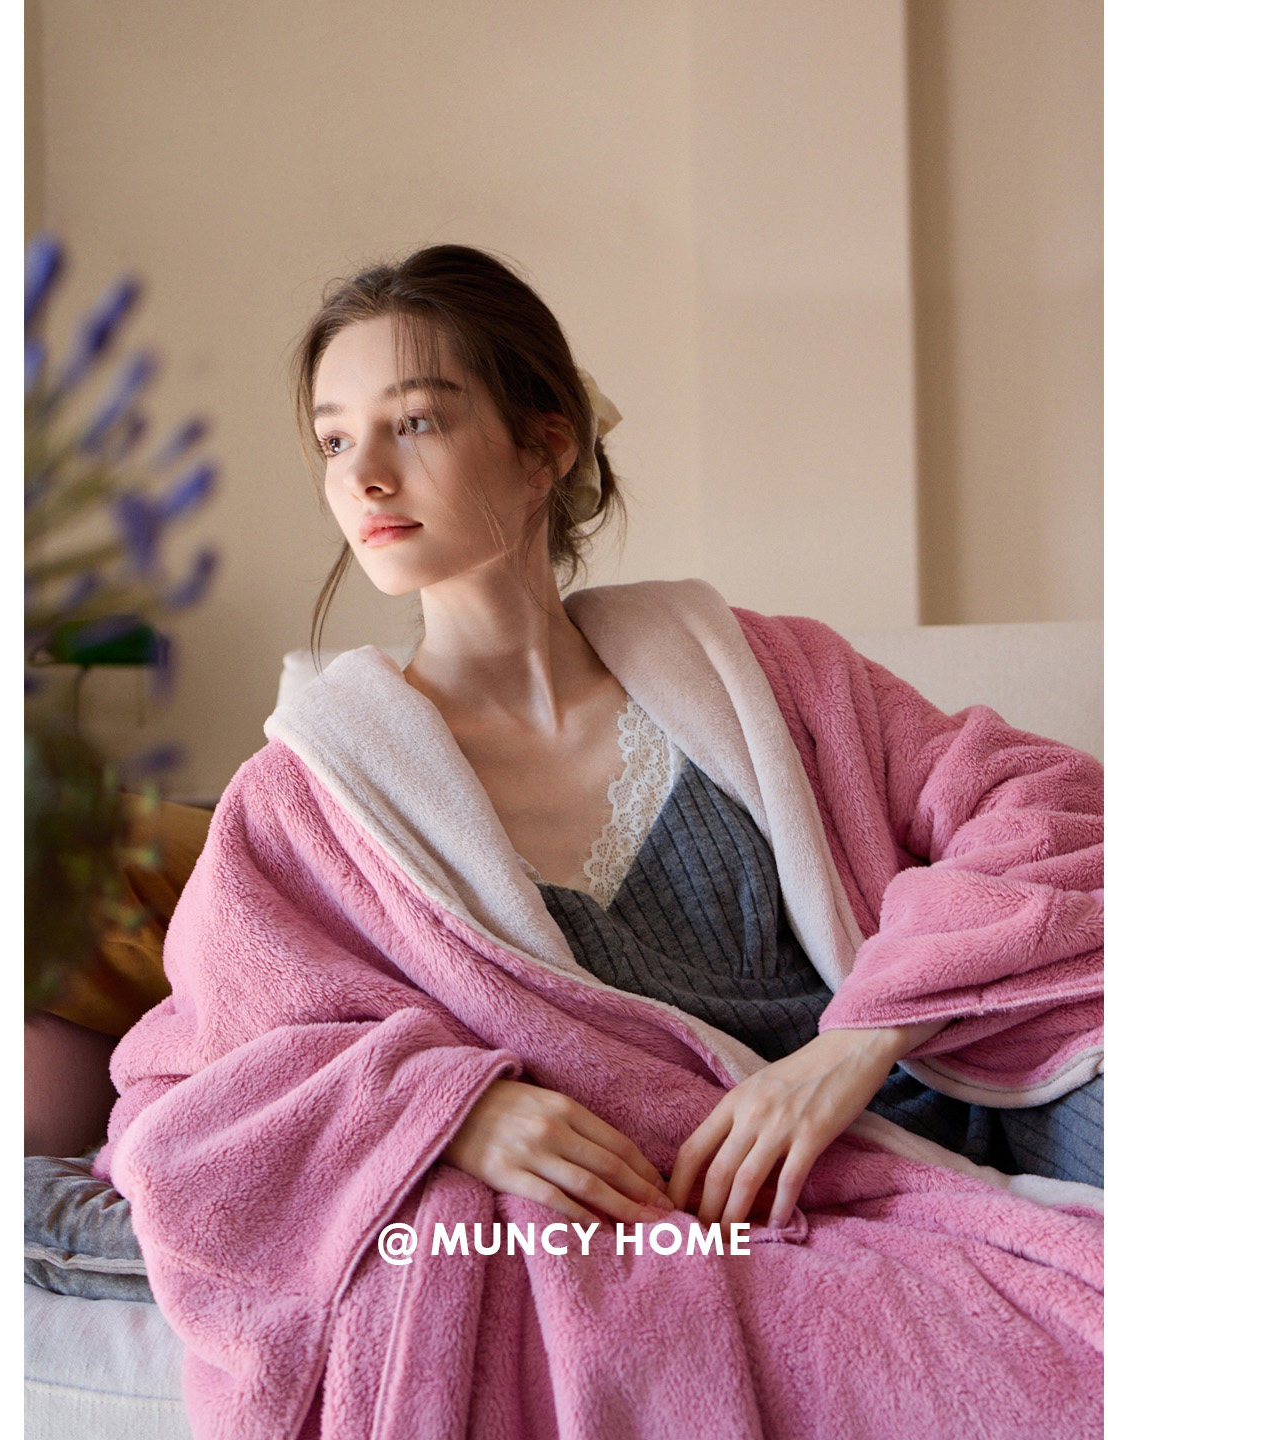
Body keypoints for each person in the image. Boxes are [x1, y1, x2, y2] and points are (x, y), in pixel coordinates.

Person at [95, 244, 1104, 1438]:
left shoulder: (760, 677)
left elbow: (1046, 808)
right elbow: (191, 1088)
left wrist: (854, 1043)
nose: (363, 474)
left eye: (413, 421)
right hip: (672, 1216)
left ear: (546, 446)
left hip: (921, 1112)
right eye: (331, 439)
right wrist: (450, 1110)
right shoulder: (310, 798)